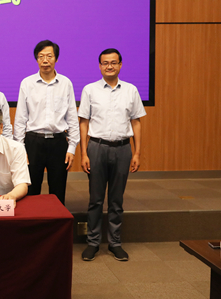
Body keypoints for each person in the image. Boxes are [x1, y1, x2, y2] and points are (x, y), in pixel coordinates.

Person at [79, 48, 146, 262]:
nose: (109, 66)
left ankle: (115, 243)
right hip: (96, 148)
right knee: (96, 200)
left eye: (113, 62)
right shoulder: (90, 90)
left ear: (120, 65)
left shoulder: (131, 90)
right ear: (100, 66)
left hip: (123, 149)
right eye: (105, 63)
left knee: (117, 200)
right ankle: (93, 242)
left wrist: (137, 153)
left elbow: (136, 122)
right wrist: (83, 153)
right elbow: (84, 122)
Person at [13, 39, 79, 205]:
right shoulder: (27, 83)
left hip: (58, 142)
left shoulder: (65, 83)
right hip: (33, 142)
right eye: (41, 56)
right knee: (30, 189)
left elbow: (72, 117)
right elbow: (20, 119)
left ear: (56, 58)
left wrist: (72, 147)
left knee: (58, 190)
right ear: (36, 59)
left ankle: (56, 220)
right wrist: (20, 149)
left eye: (49, 56)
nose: (45, 60)